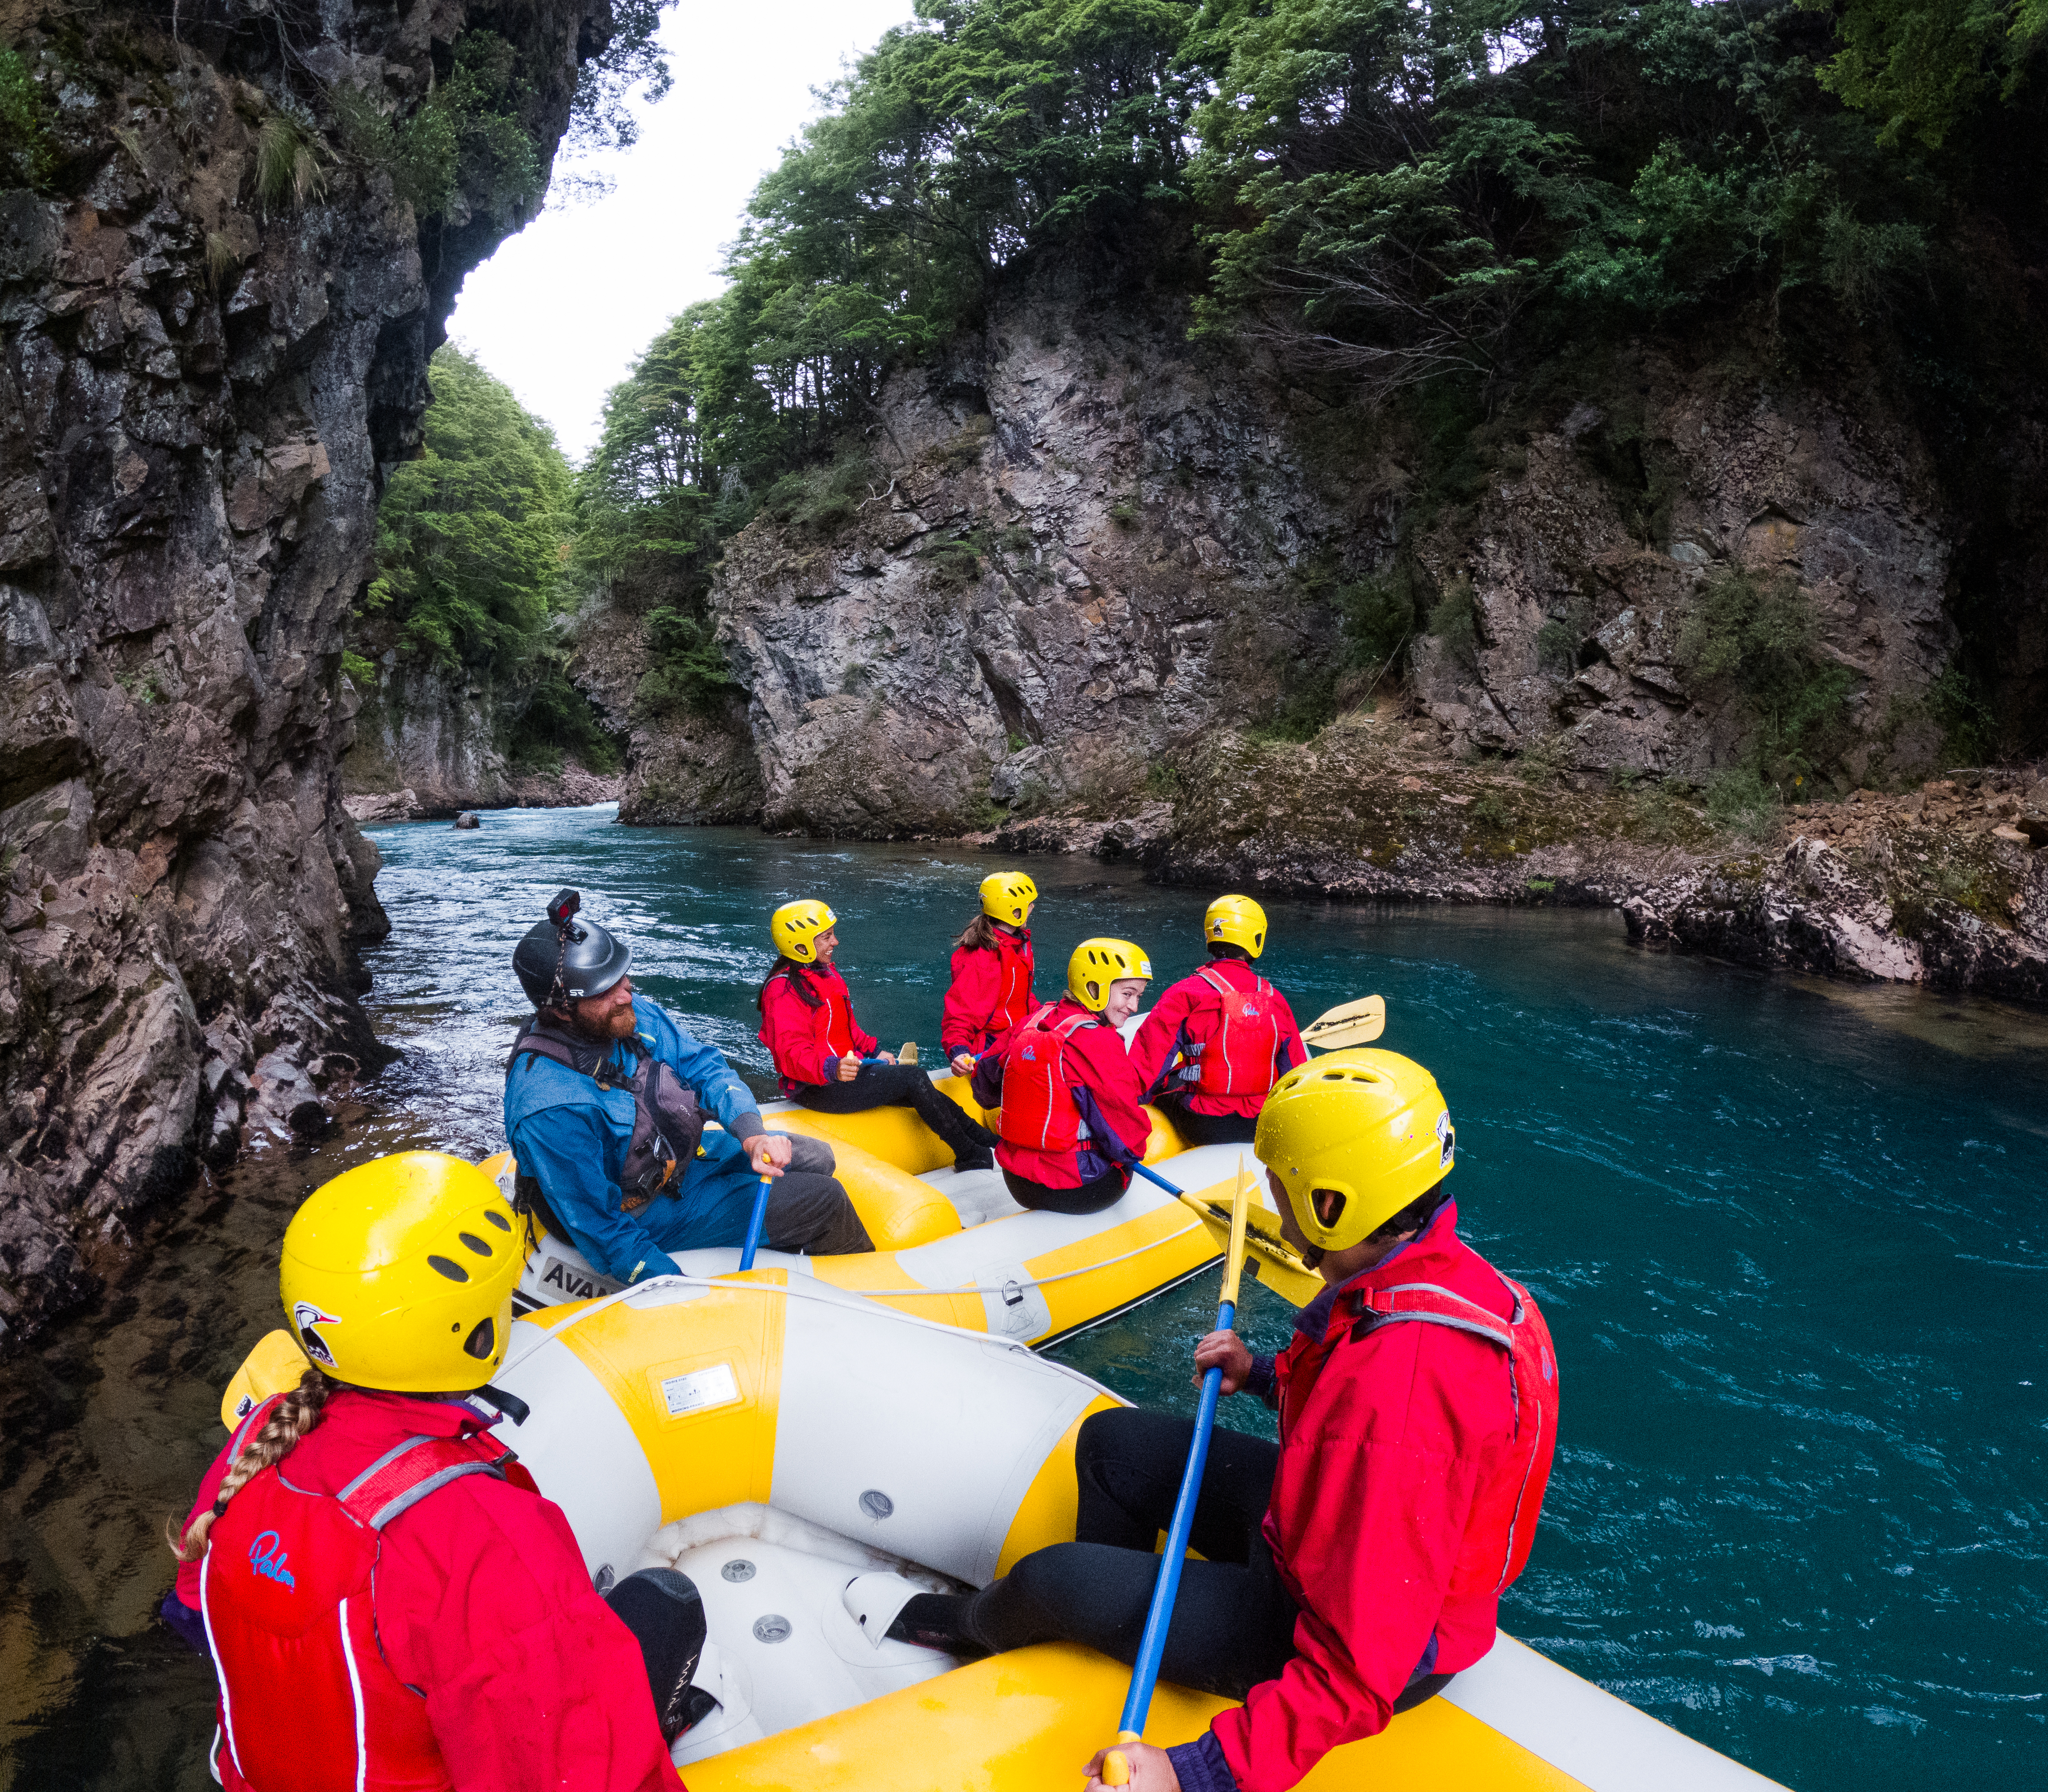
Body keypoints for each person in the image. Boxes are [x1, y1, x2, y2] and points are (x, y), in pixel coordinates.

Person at [884, 1050, 1560, 1792]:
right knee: (1112, 1444)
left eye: (1283, 1183)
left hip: (1340, 1632)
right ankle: (1104, 1644)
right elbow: (1359, 1411)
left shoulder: (1400, 1392)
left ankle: (985, 1622)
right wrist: (1266, 1373)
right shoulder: (1443, 1281)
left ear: (1331, 1204)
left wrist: (1195, 1770)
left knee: (1049, 1579)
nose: (1272, 1196)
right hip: (1317, 1538)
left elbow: (1362, 1662)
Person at [161, 1152, 711, 1791]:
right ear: (468, 1329)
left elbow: (193, 1610)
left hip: (259, 1772)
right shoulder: (479, 1533)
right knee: (665, 1606)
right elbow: (570, 1768)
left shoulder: (260, 1437)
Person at [504, 888, 872, 1284]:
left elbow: (704, 1066)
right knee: (824, 1199)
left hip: (676, 1158)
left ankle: (786, 1241)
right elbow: (602, 1228)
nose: (627, 992)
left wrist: (751, 1136)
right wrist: (677, 1290)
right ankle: (864, 1287)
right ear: (561, 1008)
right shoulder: (551, 1108)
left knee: (817, 1158)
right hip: (645, 1211)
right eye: (605, 988)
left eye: (622, 975)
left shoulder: (625, 1013)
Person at [758, 897, 998, 1173]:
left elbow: (848, 1031)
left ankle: (981, 1138)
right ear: (800, 946)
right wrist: (832, 1068)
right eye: (826, 937)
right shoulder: (782, 991)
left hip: (843, 1074)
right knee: (914, 1078)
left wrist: (873, 1052)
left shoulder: (825, 973)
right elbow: (791, 1053)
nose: (835, 942)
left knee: (916, 1085)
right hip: (818, 1088)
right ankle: (970, 1154)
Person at [969, 938, 1154, 1216]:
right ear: (1094, 988)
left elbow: (983, 1088)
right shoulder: (1098, 1041)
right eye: (1127, 994)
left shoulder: (1031, 1022)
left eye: (1138, 996)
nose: (1134, 1006)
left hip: (1018, 1182)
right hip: (1080, 1187)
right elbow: (1125, 1138)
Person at [1130, 895, 1305, 1146]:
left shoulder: (1184, 993)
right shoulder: (1275, 998)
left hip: (1204, 1123)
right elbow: (1295, 1072)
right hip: (1261, 1122)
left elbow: (1147, 1069)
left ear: (1211, 936)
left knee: (1163, 1091)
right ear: (1257, 940)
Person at [943, 871, 1038, 1076]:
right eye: (1030, 905)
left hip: (1015, 1039)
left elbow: (1020, 998)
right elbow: (960, 1012)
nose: (1033, 909)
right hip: (992, 1051)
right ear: (1015, 912)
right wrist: (959, 1051)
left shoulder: (1017, 943)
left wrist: (1046, 1016)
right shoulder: (984, 959)